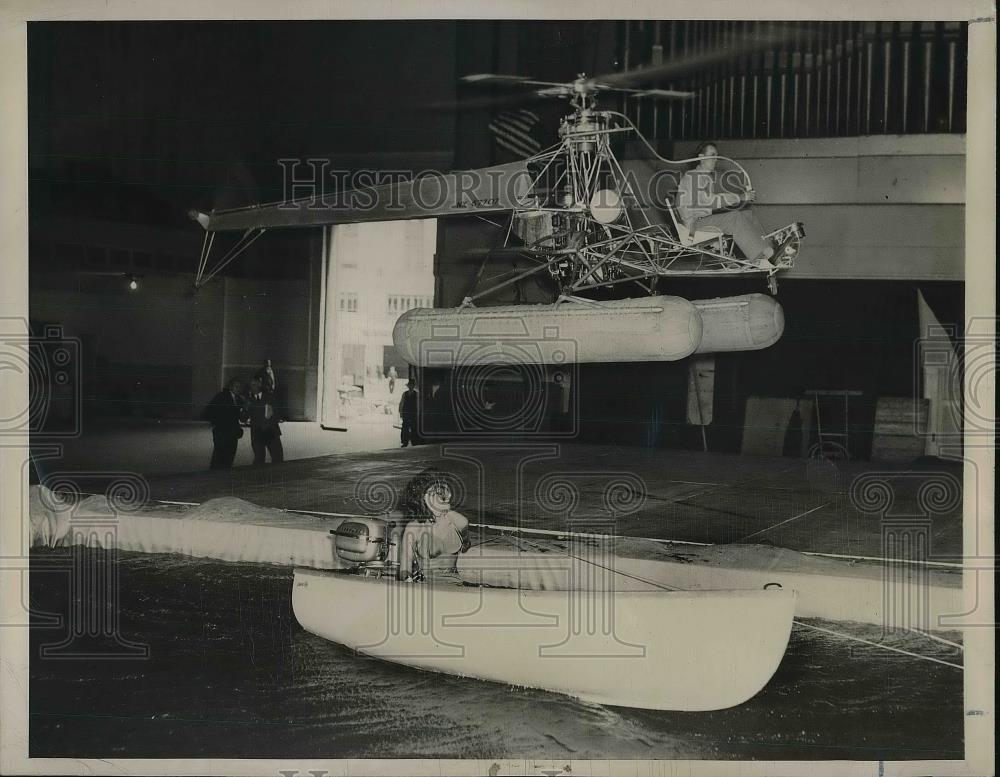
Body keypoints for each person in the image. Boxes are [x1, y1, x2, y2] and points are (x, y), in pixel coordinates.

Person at [675, 142, 794, 269]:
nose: (716, 159)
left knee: (748, 215)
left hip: (699, 220)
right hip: (693, 225)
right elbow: (710, 201)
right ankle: (766, 255)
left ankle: (769, 249)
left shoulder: (704, 178)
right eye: (712, 155)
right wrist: (741, 197)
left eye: (717, 156)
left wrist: (740, 197)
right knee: (735, 218)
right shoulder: (693, 176)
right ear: (701, 157)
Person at [396, 468, 470, 581]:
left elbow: (466, 539)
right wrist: (407, 578)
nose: (447, 504)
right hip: (426, 587)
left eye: (446, 499)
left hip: (455, 586)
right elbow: (404, 567)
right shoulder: (413, 528)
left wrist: (464, 541)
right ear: (423, 497)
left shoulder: (456, 520)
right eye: (441, 499)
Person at [202, 378, 246, 470]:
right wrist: (217, 423)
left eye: (239, 387)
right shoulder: (221, 396)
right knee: (219, 456)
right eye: (236, 386)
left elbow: (242, 417)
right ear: (230, 387)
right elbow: (208, 411)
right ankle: (214, 476)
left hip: (233, 433)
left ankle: (224, 475)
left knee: (230, 456)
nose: (238, 389)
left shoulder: (240, 399)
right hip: (222, 431)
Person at [246, 377, 284, 465]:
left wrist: (272, 419)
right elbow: (243, 418)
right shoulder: (249, 400)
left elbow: (278, 412)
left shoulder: (270, 397)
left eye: (254, 385)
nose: (252, 387)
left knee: (277, 457)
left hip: (270, 431)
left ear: (260, 385)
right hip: (257, 432)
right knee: (259, 458)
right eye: (251, 385)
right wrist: (245, 408)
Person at [398, 378, 418, 447]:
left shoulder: (416, 394)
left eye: (412, 385)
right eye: (410, 385)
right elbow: (401, 403)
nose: (410, 387)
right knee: (405, 427)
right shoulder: (405, 394)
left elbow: (418, 404)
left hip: (413, 413)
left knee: (413, 427)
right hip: (406, 412)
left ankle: (414, 441)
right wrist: (400, 412)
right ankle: (404, 441)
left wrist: (418, 413)